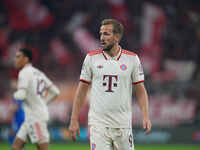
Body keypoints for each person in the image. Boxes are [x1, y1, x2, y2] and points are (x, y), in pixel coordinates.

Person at [69, 19, 151, 150]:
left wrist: (146, 116)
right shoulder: (91, 58)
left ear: (117, 37)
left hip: (123, 125)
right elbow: (81, 91)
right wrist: (74, 119)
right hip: (98, 125)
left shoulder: (132, 59)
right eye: (101, 34)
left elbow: (140, 90)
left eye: (106, 34)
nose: (102, 38)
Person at [12, 48, 60, 150]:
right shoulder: (38, 72)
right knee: (16, 146)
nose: (15, 59)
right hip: (32, 117)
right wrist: (42, 102)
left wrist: (14, 95)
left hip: (36, 119)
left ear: (25, 59)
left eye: (18, 57)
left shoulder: (24, 72)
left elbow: (21, 94)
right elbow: (55, 91)